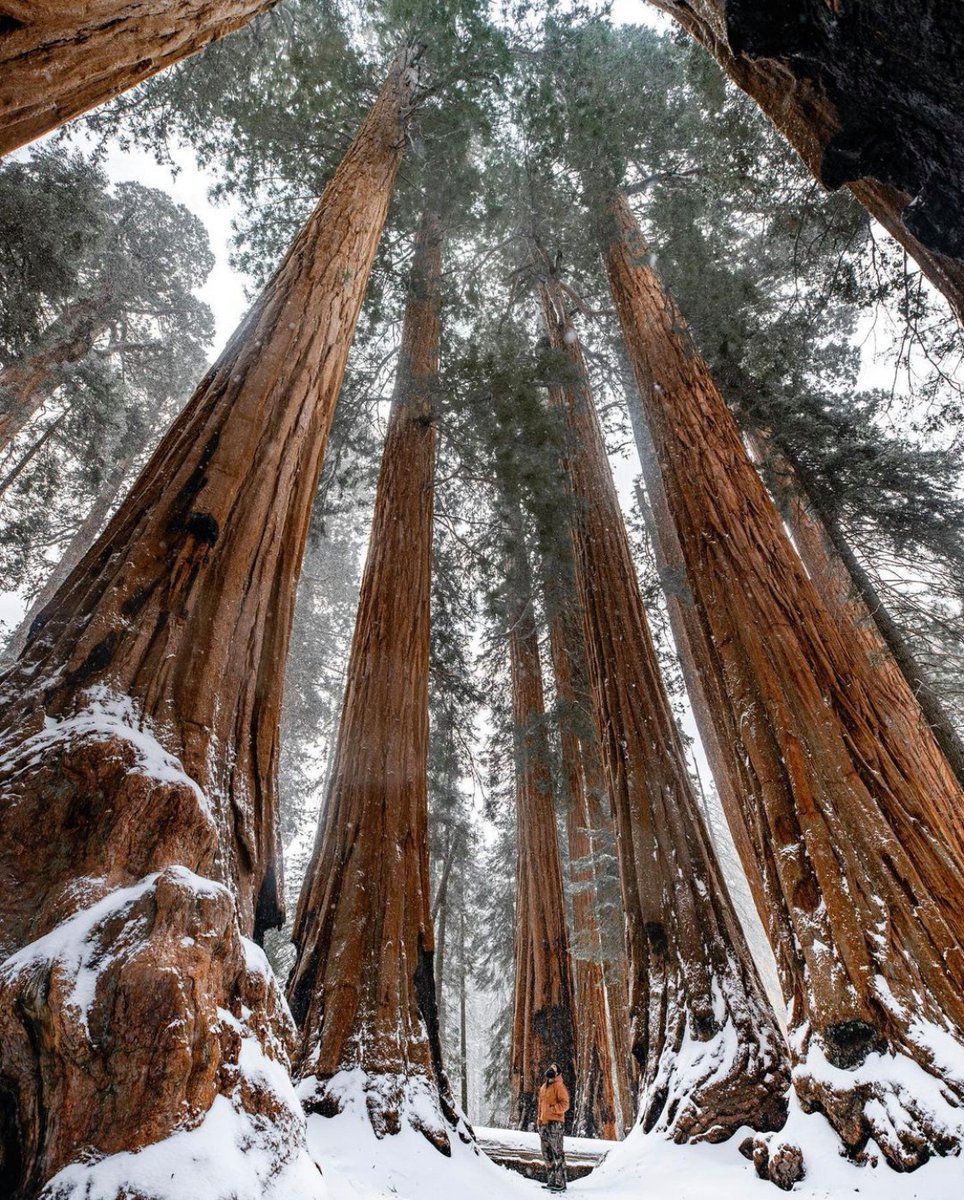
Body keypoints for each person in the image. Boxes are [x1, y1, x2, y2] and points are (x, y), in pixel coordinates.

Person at [536, 1062, 570, 1193]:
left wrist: (554, 1109)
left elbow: (565, 1104)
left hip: (555, 1124)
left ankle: (560, 1182)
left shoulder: (559, 1086)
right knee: (546, 1153)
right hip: (543, 1124)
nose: (551, 1068)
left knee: (557, 1153)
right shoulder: (544, 1087)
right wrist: (539, 1119)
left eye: (554, 1068)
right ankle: (551, 1181)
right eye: (550, 1067)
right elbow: (540, 1105)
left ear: (558, 1073)